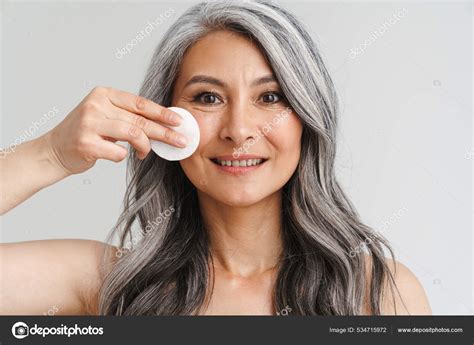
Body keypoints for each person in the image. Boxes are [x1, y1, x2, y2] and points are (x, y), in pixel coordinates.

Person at [0, 0, 431, 315]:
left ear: (307, 116)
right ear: (164, 119)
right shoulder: (108, 283)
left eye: (271, 97)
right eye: (208, 97)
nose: (239, 130)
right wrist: (50, 154)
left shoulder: (377, 293)